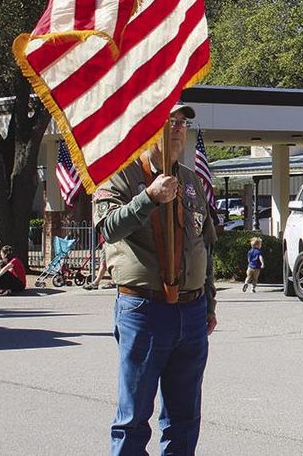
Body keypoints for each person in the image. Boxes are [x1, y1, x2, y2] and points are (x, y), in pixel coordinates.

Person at [93, 102, 218, 455]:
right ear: (145, 126)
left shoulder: (190, 180)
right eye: (169, 122)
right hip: (144, 309)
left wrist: (209, 301)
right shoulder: (119, 174)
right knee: (133, 419)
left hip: (191, 312)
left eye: (182, 123)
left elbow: (204, 243)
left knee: (184, 419)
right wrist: (147, 198)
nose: (178, 129)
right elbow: (106, 228)